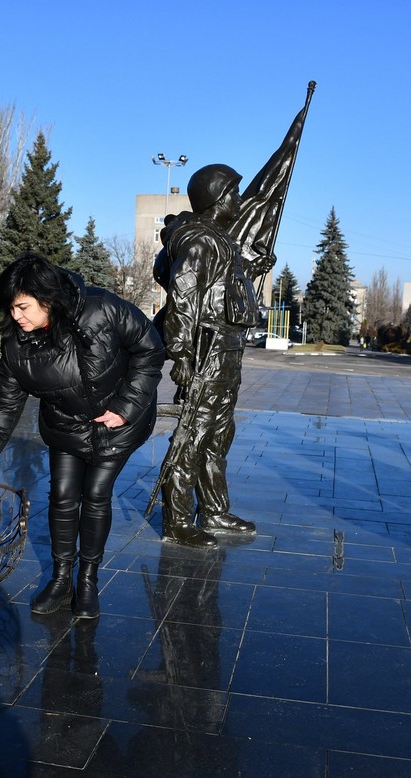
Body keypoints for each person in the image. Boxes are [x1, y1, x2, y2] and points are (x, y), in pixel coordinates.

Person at [0, 253, 164, 619]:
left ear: (46, 299)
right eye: (11, 309)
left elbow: (151, 348)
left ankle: (88, 580)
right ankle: (62, 577)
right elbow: (3, 410)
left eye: (23, 307)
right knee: (63, 497)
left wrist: (127, 406)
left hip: (117, 422)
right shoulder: (17, 347)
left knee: (95, 494)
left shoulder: (101, 308)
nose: (16, 317)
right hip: (65, 424)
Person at [157, 164, 260, 548]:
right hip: (207, 350)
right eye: (233, 193)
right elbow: (184, 298)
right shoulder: (199, 241)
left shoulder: (221, 240)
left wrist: (249, 269)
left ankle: (214, 510)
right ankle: (178, 520)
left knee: (219, 434)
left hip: (228, 350)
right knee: (194, 434)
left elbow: (223, 289)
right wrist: (181, 352)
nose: (238, 200)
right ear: (217, 198)